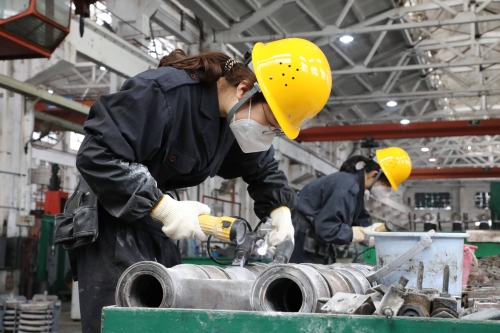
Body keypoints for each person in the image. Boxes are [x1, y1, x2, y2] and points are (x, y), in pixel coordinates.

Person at [57, 38, 332, 333]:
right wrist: (163, 207)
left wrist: (280, 212)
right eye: (272, 121)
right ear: (245, 89)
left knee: (166, 311)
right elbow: (98, 153)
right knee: (123, 321)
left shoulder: (234, 120)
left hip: (151, 222)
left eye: (277, 129)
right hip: (109, 216)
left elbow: (262, 167)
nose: (269, 132)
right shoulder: (164, 93)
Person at [289, 147, 412, 264]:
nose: (388, 190)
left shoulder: (356, 188)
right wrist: (358, 235)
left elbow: (359, 219)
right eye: (388, 185)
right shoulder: (346, 186)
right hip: (301, 245)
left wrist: (374, 231)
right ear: (375, 174)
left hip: (313, 246)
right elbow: (327, 228)